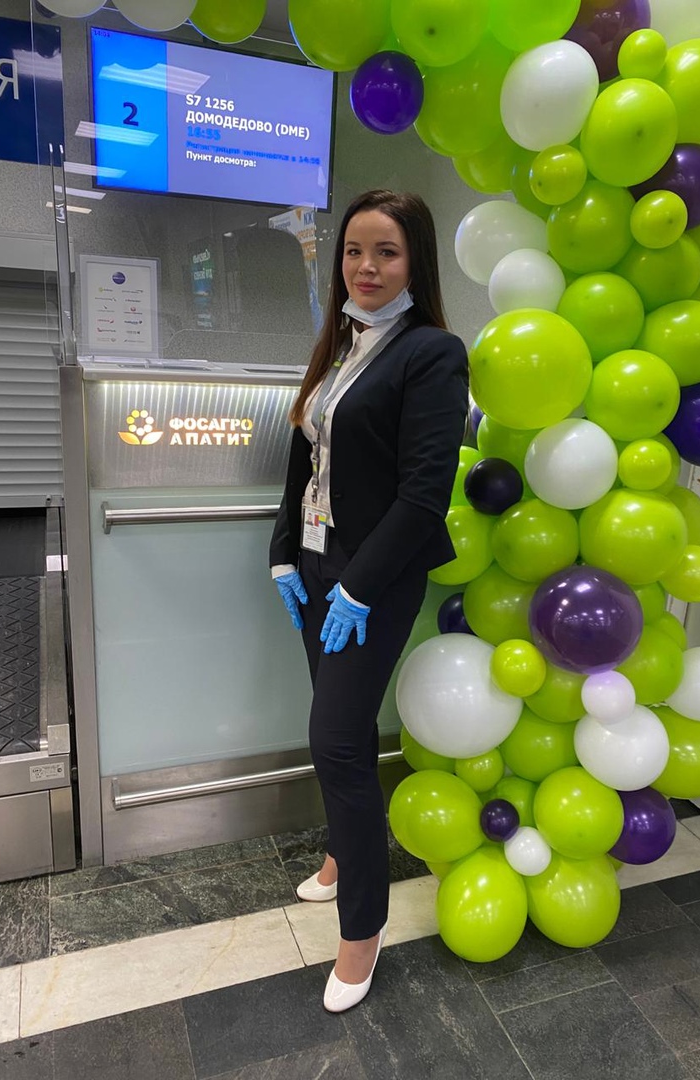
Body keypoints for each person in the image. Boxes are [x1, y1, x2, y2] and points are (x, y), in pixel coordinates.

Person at [270, 189, 468, 1012]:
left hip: (373, 581)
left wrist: (356, 587)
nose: (366, 266)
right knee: (338, 729)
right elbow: (303, 459)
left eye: (386, 251)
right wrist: (282, 554)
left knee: (338, 747)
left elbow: (424, 495)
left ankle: (364, 928)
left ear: (415, 260)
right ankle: (342, 853)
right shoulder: (341, 340)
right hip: (317, 566)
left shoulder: (432, 352)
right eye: (354, 250)